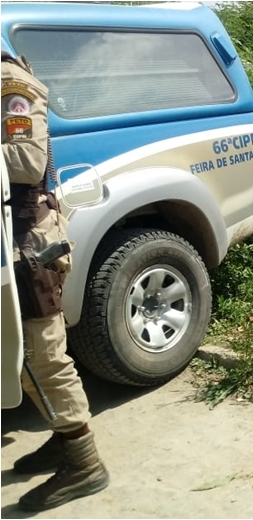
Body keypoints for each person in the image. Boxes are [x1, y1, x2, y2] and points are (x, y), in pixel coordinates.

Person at [2, 50, 109, 511]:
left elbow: (24, 162)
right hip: (14, 233)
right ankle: (61, 437)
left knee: (36, 355)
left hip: (21, 240)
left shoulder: (10, 84)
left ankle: (83, 461)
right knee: (27, 351)